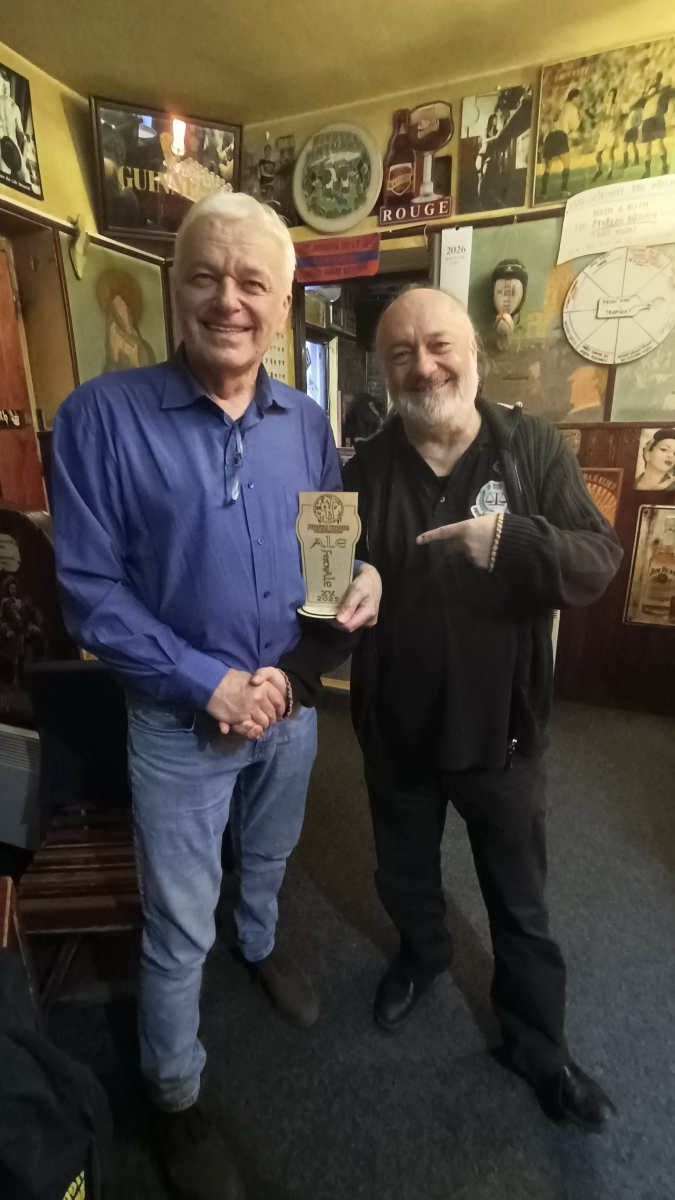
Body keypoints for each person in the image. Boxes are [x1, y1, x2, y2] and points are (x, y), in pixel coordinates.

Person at [51, 191, 381, 1200]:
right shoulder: (99, 418)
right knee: (176, 922)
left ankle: (262, 943)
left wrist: (355, 579)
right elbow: (90, 593)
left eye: (251, 282)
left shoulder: (308, 422)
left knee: (270, 855)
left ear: (281, 305)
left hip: (290, 706)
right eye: (205, 276)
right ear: (172, 290)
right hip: (175, 722)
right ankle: (174, 1094)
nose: (228, 300)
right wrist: (209, 684)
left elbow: (327, 555)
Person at [342, 287, 623, 1133]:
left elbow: (599, 557)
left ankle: (537, 1045)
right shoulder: (364, 467)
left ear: (472, 351)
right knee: (403, 872)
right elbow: (334, 564)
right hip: (397, 727)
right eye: (401, 353)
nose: (423, 366)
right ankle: (422, 956)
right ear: (384, 370)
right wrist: (360, 575)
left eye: (438, 345)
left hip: (502, 732)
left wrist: (508, 541)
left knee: (519, 902)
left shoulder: (529, 447)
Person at [540, 88, 582, 199]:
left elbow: (552, 118)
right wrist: (579, 118)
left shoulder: (560, 105)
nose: (580, 100)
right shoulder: (572, 108)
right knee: (566, 164)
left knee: (547, 167)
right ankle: (564, 190)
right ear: (575, 97)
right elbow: (573, 126)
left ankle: (543, 193)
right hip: (560, 135)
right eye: (579, 97)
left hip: (550, 136)